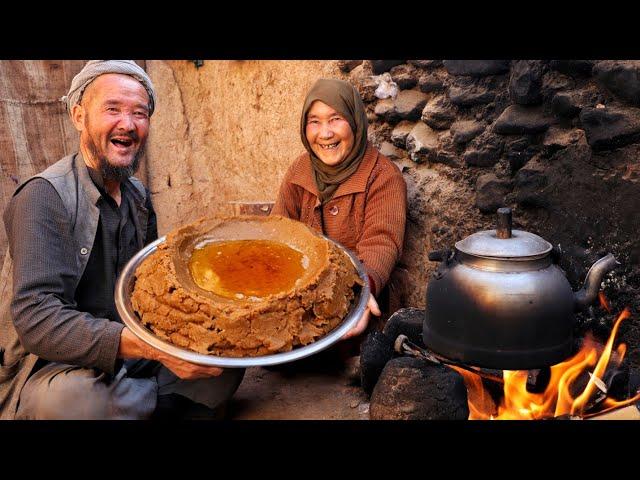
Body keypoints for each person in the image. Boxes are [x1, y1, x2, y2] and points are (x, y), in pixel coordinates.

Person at [0, 60, 244, 420]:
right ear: (79, 116)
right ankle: (152, 406)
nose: (127, 125)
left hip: (135, 359)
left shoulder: (138, 197)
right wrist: (154, 350)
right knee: (71, 401)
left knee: (225, 363)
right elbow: (37, 318)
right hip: (57, 368)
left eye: (139, 113)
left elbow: (156, 287)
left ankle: (135, 404)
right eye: (112, 109)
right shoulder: (43, 196)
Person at [272, 78, 407, 359]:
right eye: (314, 121)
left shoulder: (383, 176)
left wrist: (361, 293)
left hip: (357, 306)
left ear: (355, 122)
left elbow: (382, 241)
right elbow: (278, 231)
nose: (324, 133)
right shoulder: (299, 170)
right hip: (302, 306)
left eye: (335, 119)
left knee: (358, 351)